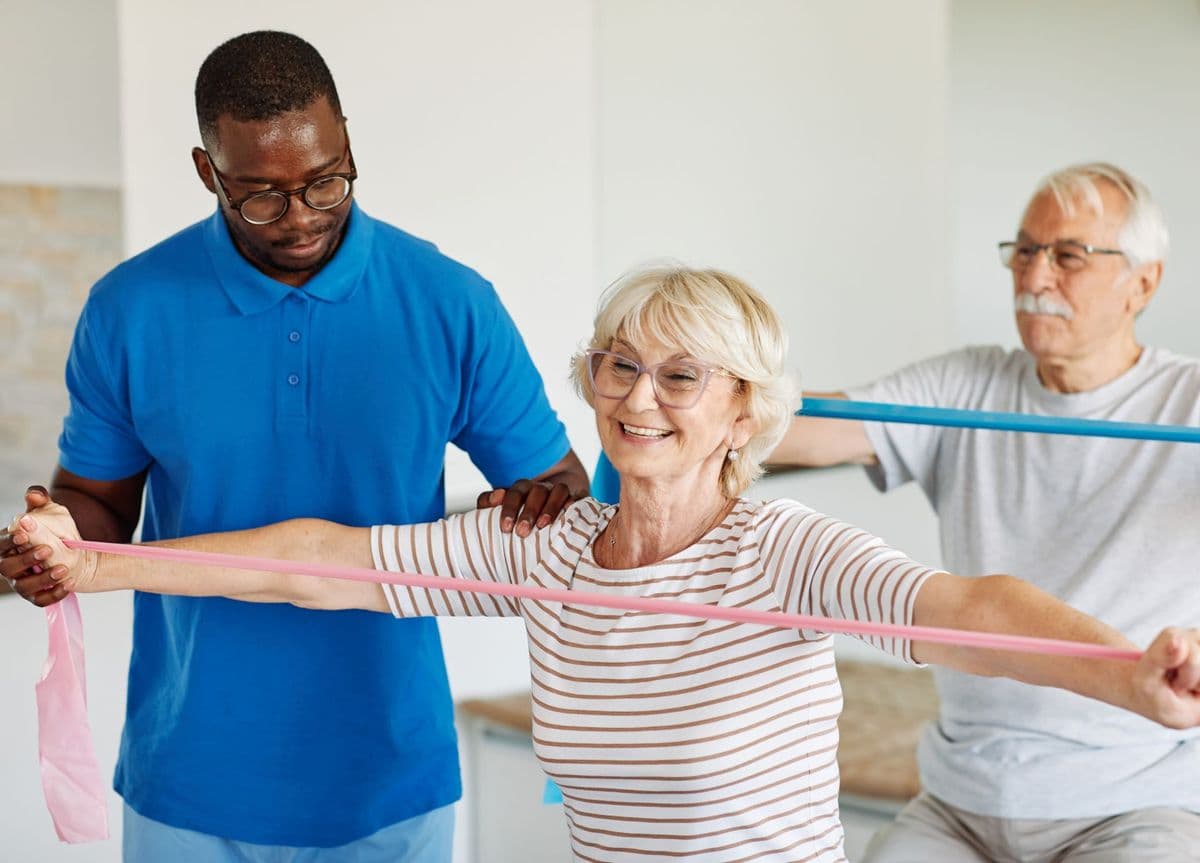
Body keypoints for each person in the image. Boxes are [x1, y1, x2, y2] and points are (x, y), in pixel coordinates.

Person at [8, 266, 1200, 863]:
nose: (638, 397)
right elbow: (318, 563)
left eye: (682, 375)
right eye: (617, 365)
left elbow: (965, 609)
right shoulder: (548, 548)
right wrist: (99, 560)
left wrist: (1132, 674)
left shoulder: (779, 551)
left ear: (746, 409)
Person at [1, 30, 587, 862]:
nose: (303, 216)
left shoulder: (450, 303)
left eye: (325, 181)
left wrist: (535, 507)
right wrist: (50, 537)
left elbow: (559, 492)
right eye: (262, 197)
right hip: (190, 779)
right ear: (208, 173)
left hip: (391, 777)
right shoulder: (129, 310)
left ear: (347, 140)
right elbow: (99, 504)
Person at [596, 164, 1200, 860]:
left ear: (1144, 282)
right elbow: (807, 432)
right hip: (964, 801)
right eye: (1025, 252)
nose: (1035, 278)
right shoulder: (966, 385)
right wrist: (669, 400)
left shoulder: (1185, 402)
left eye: (1068, 256)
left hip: (1139, 800)